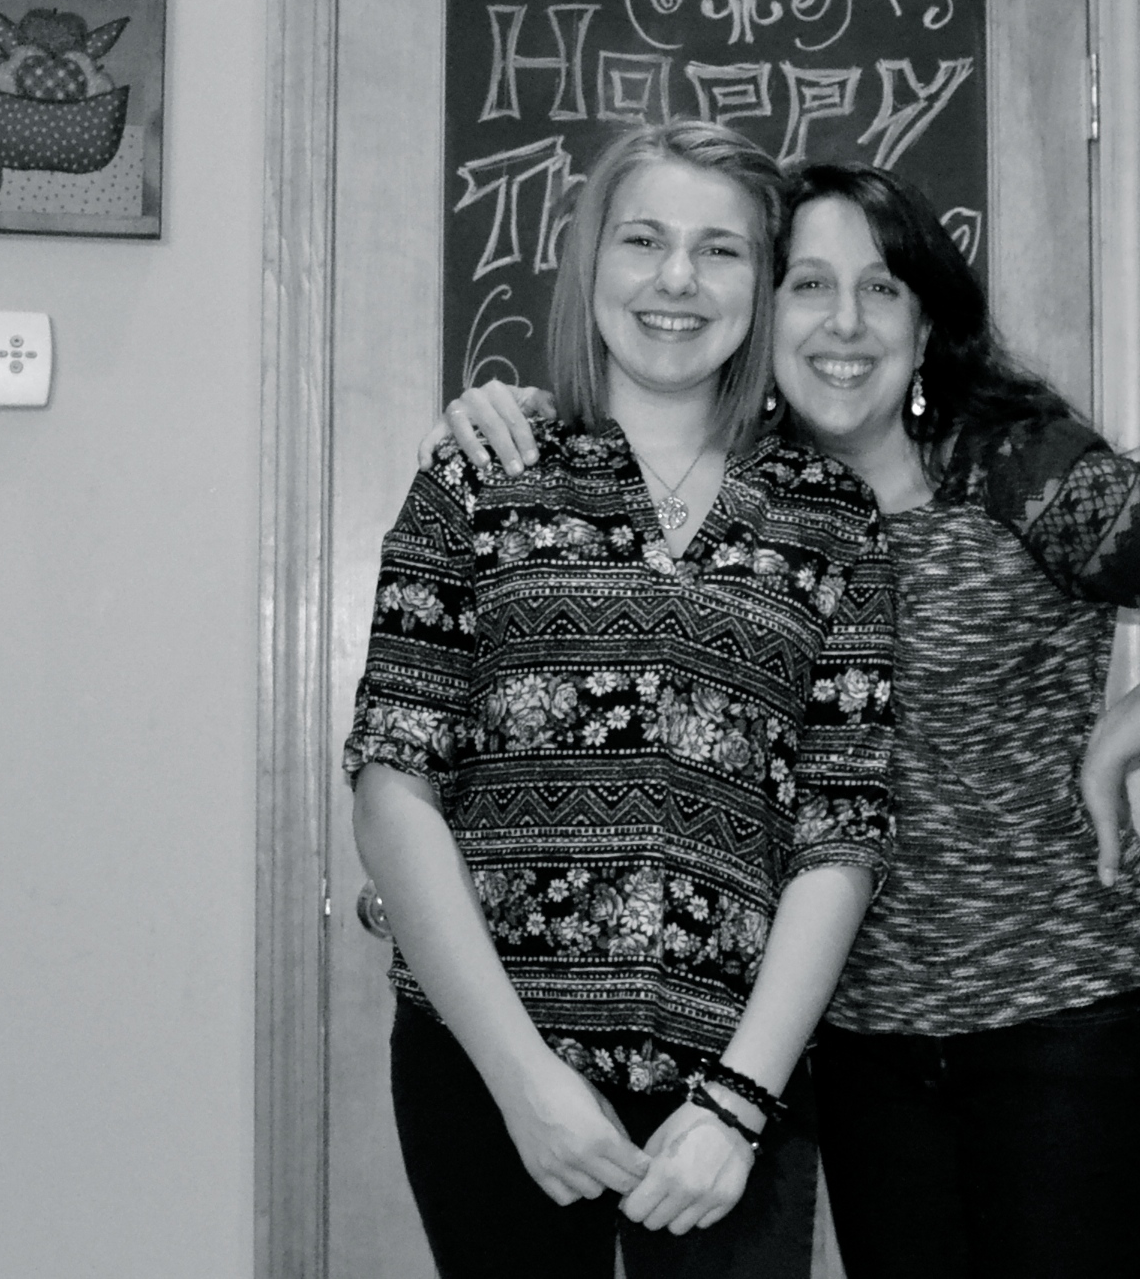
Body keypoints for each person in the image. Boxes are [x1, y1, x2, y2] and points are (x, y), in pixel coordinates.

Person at [436, 160, 1140, 1279]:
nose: (844, 323)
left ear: (925, 327)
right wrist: (504, 412)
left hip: (1056, 1017)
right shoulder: (744, 497)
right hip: (853, 1039)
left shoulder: (1025, 476)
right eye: (809, 286)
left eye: (882, 289)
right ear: (763, 315)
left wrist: (1116, 743)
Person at [345, 123, 896, 1279]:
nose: (676, 279)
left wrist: (738, 1101)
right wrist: (523, 1081)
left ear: (761, 282)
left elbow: (843, 830)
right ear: (591, 259)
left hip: (732, 1095)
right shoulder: (481, 472)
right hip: (489, 1071)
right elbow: (394, 781)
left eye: (721, 250)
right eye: (642, 240)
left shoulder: (832, 517)